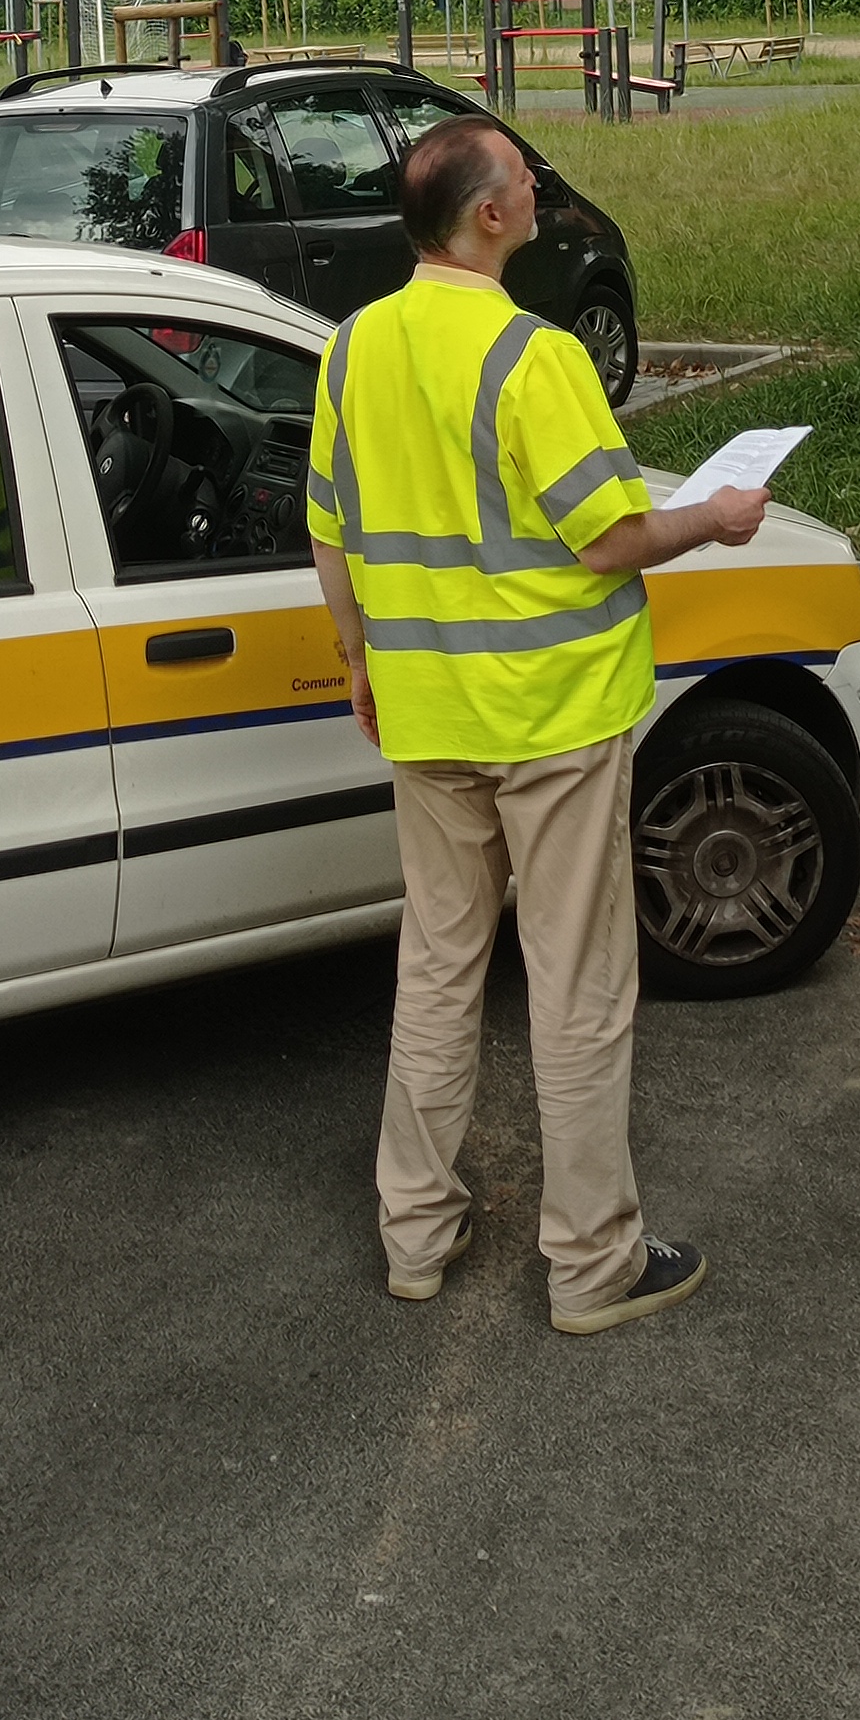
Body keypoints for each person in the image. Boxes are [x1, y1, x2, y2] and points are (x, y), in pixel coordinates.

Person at [307, 111, 770, 1335]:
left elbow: (329, 527)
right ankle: (592, 1264)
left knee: (437, 965)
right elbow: (611, 534)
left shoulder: (351, 348)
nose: (537, 193)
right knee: (575, 986)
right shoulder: (536, 357)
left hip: (422, 712)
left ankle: (414, 1233)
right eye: (523, 179)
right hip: (552, 718)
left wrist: (358, 660)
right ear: (491, 216)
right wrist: (715, 517)